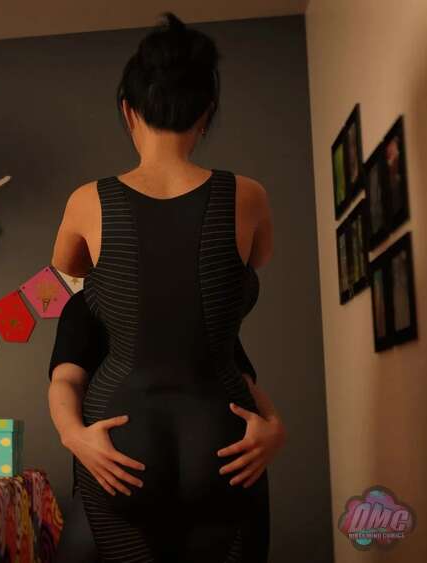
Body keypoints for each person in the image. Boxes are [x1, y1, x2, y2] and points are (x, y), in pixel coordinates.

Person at [48, 14, 286, 562]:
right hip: (226, 440)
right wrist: (276, 425)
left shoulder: (86, 200)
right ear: (207, 113)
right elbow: (257, 260)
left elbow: (68, 264)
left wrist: (74, 435)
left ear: (128, 110)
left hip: (117, 443)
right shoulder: (249, 195)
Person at [48, 290, 262, 562]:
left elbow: (241, 379)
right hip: (111, 480)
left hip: (216, 481)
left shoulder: (200, 305)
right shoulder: (89, 303)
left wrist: (274, 425)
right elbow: (66, 380)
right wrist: (72, 435)